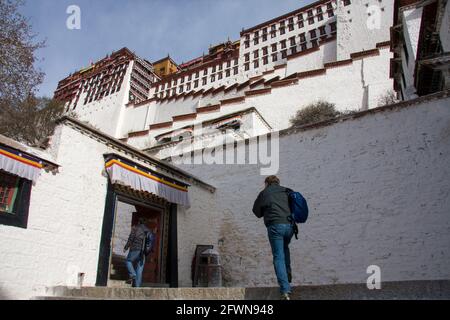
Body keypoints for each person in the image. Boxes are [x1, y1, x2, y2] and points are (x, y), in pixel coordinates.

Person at [252, 175, 294, 300]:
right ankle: (287, 275)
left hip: (275, 227)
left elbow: (257, 212)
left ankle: (285, 290)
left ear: (266, 183)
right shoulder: (287, 191)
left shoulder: (264, 193)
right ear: (278, 182)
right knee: (285, 250)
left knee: (278, 257)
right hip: (290, 227)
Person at [124, 217, 150, 287]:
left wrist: (126, 247)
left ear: (139, 222)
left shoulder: (135, 228)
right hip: (143, 252)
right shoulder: (148, 230)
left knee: (128, 261)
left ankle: (132, 274)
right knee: (139, 269)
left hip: (135, 249)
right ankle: (137, 287)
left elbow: (131, 239)